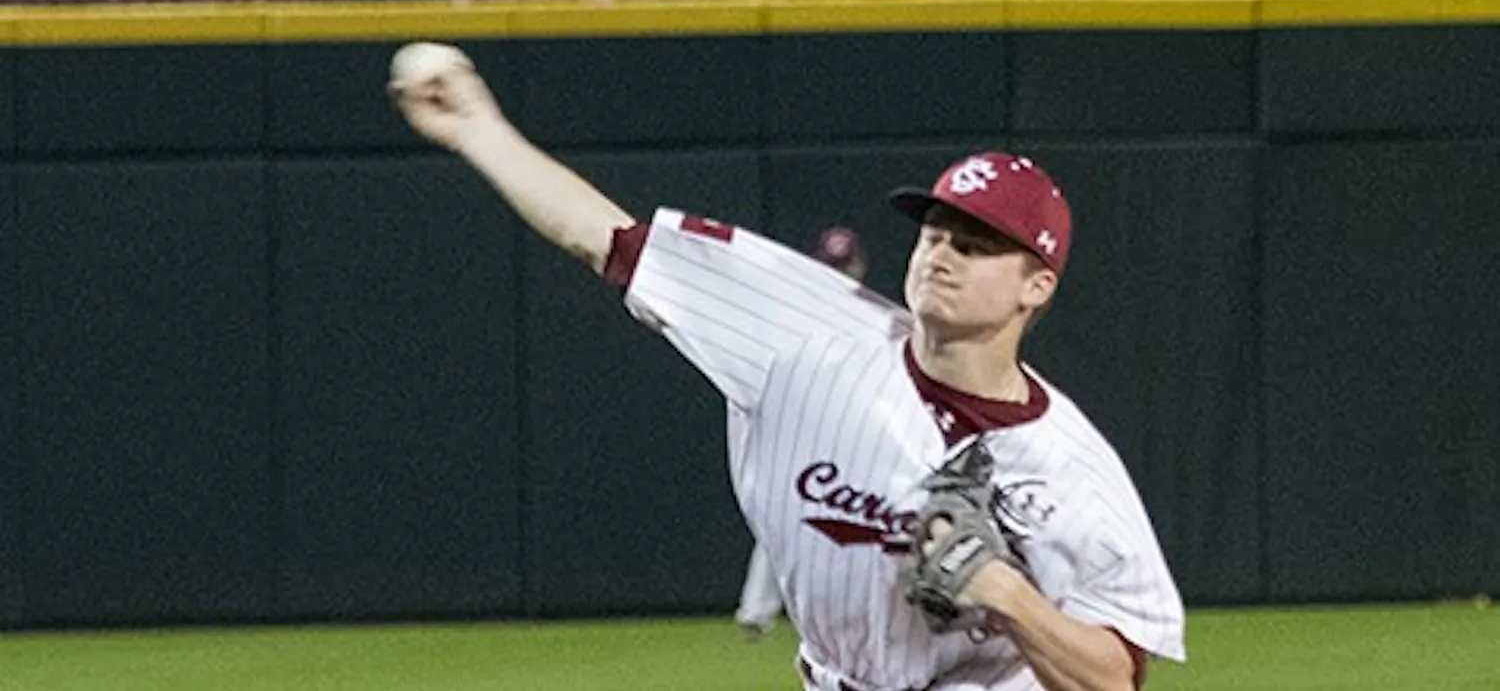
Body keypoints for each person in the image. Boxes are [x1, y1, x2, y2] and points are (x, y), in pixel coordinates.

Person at [389, 45, 1186, 691]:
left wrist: (1011, 598)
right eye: (935, 232)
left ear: (1036, 285)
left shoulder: (1071, 467)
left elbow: (1114, 676)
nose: (941, 254)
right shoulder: (803, 329)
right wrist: (479, 130)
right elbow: (606, 239)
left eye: (974, 245)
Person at [735, 226, 870, 641]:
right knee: (784, 516)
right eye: (834, 265)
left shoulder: (875, 314)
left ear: (859, 265)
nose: (842, 273)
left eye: (844, 265)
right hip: (807, 428)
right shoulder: (800, 310)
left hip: (857, 432)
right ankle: (757, 611)